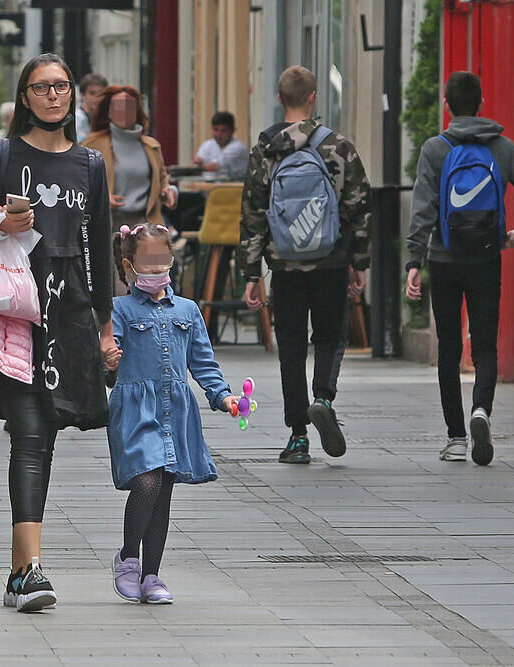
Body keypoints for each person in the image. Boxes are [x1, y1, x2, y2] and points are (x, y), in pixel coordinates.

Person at [0, 53, 116, 612]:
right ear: (24, 96)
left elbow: (99, 248)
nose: (53, 95)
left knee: (45, 434)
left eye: (62, 86)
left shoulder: (90, 165)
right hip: (14, 310)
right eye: (41, 87)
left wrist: (105, 329)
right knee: (29, 431)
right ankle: (29, 570)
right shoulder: (3, 156)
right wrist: (1, 221)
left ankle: (17, 572)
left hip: (69, 313)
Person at [238, 66, 371, 464]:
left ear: (281, 100)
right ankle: (324, 399)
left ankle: (298, 435)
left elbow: (252, 212)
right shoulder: (338, 146)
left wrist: (251, 273)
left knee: (291, 347)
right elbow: (359, 208)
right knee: (330, 337)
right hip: (331, 261)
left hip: (285, 265)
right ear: (314, 97)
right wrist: (359, 262)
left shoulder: (266, 148)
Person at [105, 222, 236, 604]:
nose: (155, 270)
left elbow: (203, 362)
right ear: (129, 266)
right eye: (147, 264)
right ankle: (129, 556)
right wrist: (109, 360)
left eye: (162, 261)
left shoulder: (188, 310)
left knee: (163, 492)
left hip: (175, 410)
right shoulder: (120, 309)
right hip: (135, 410)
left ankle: (152, 576)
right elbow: (108, 359)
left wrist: (222, 396)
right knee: (146, 482)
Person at [406, 71, 514, 465]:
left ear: (446, 106)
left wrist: (413, 261)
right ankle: (482, 410)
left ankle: (456, 437)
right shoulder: (502, 147)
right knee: (486, 345)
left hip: (443, 260)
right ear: (481, 104)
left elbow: (423, 207)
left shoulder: (434, 149)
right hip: (486, 258)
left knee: (449, 348)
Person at [82, 85, 178, 293]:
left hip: (146, 225)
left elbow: (163, 180)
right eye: (117, 106)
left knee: (152, 286)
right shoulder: (93, 144)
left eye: (129, 107)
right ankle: (113, 326)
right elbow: (78, 184)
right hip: (109, 225)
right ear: (108, 111)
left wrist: (169, 192)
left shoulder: (151, 146)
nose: (124, 112)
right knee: (117, 286)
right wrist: (100, 197)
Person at [194, 111, 249, 180]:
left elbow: (215, 166)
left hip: (236, 188)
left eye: (223, 131)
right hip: (213, 188)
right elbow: (198, 161)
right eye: (215, 130)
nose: (219, 134)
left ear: (233, 131)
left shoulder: (238, 147)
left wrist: (195, 168)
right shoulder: (207, 145)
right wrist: (197, 163)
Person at [75, 72, 107, 143]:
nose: (97, 98)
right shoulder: (76, 120)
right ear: (82, 95)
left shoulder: (104, 118)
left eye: (101, 93)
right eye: (92, 93)